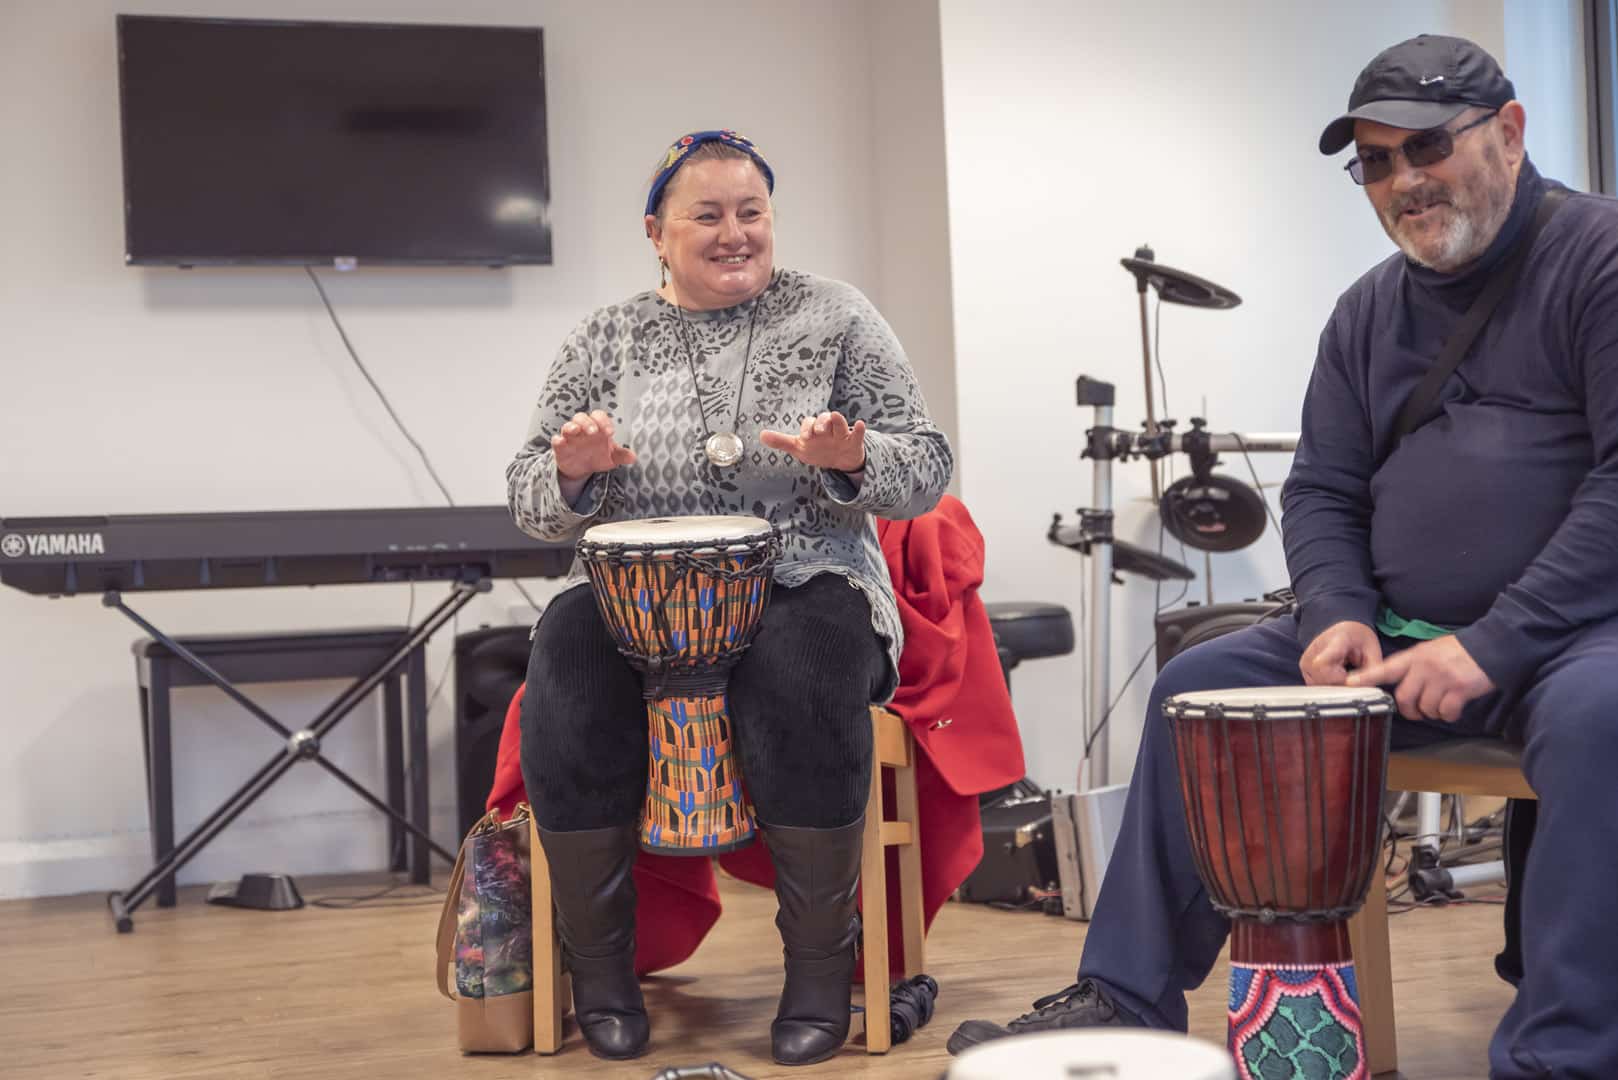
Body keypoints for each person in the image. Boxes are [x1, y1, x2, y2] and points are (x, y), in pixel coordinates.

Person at [950, 33, 1618, 1079]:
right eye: (1374, 163)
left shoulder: (1599, 259)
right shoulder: (1365, 311)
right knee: (1197, 684)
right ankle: (1121, 1000)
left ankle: (1564, 1055)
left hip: (1575, 641)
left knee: (1602, 716)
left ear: (1510, 132)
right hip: (1397, 643)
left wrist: (1494, 641)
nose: (1401, 181)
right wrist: (1336, 612)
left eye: (1425, 148)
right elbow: (1321, 489)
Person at [505, 128, 952, 1065]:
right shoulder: (606, 337)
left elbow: (927, 472)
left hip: (809, 579)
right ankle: (603, 977)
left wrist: (855, 457)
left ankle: (822, 977)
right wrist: (573, 474)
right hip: (636, 604)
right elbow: (529, 499)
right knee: (567, 653)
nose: (734, 232)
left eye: (752, 212)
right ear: (656, 233)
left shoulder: (836, 317)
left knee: (800, 662)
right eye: (707, 215)